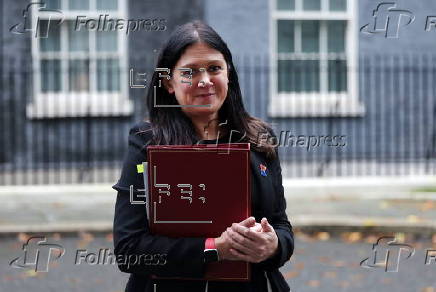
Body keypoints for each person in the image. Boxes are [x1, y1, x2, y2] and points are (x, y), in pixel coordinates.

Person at [113, 20, 294, 292]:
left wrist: (273, 245)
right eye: (190, 72)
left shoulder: (259, 138)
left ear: (228, 74)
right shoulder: (146, 142)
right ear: (169, 82)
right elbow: (129, 249)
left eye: (214, 68)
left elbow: (280, 224)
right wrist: (214, 249)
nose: (205, 81)